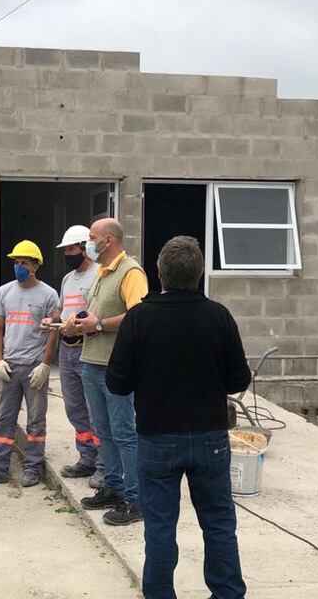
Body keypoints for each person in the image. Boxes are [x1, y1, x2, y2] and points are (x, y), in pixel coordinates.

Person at [107, 236, 250, 599]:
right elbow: (238, 379)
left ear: (160, 274)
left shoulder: (140, 318)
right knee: (218, 522)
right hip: (210, 437)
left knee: (159, 526)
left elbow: (117, 383)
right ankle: (228, 593)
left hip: (157, 438)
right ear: (199, 273)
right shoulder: (219, 316)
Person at [63, 218, 148, 526]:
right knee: (104, 432)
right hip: (93, 361)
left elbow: (138, 316)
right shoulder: (102, 272)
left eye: (92, 237)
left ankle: (135, 498)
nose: (89, 243)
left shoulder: (131, 272)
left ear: (108, 240)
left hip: (118, 366)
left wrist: (98, 324)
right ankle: (112, 487)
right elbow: (98, 314)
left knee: (125, 434)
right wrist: (79, 321)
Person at [0, 240, 60, 488]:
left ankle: (32, 468)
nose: (18, 266)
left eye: (24, 262)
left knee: (35, 420)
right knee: (4, 418)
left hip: (34, 366)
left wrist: (45, 364)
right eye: (16, 262)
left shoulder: (48, 294)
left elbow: (53, 331)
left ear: (35, 266)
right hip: (9, 367)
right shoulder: (5, 291)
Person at [40, 225, 103, 487]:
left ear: (83, 248)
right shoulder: (68, 279)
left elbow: (96, 313)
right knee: (75, 408)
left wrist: (77, 322)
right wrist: (51, 319)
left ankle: (104, 465)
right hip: (67, 350)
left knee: (95, 409)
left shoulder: (99, 275)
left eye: (70, 249)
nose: (67, 254)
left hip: (89, 348)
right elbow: (61, 310)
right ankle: (86, 458)